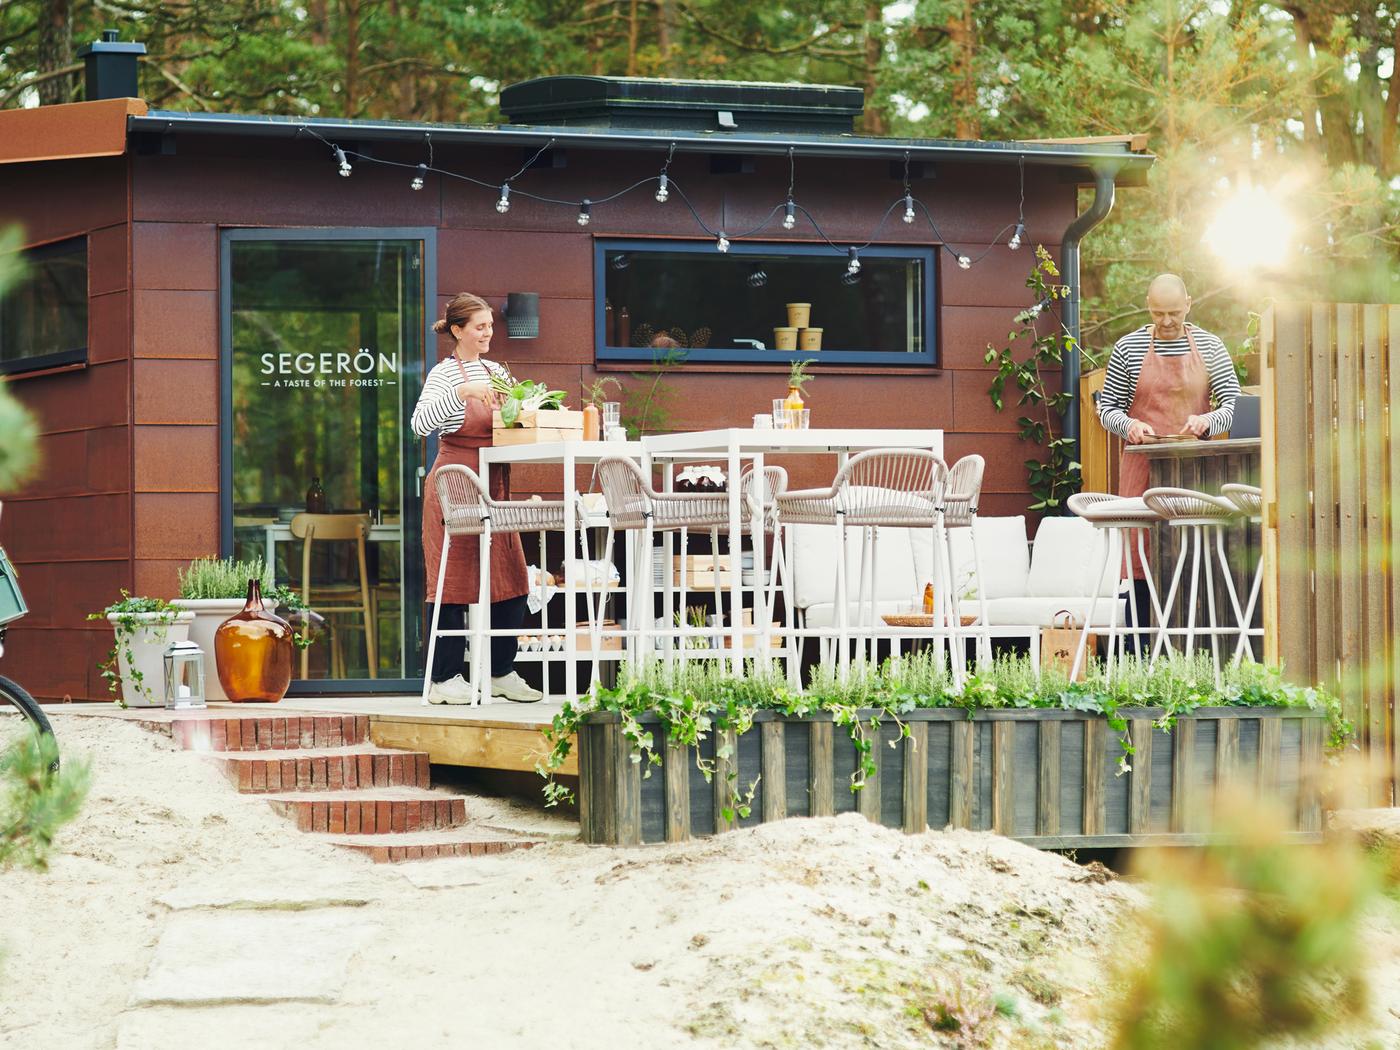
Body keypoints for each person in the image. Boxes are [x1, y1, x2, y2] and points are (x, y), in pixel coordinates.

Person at [411, 292, 542, 704]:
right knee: (452, 580)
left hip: (494, 483)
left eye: (489, 326)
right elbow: (419, 424)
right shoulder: (444, 374)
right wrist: (462, 393)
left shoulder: (497, 371)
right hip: (455, 483)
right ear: (458, 330)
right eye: (480, 327)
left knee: (511, 578)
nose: (488, 333)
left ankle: (501, 672)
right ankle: (444, 679)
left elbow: (516, 418)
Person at [1098, 273, 1240, 643]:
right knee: (1141, 562)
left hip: (1194, 473)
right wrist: (1129, 425)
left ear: (1188, 305)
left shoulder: (1210, 346)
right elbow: (1107, 409)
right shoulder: (1128, 348)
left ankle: (1197, 647)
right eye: (1158, 313)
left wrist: (1207, 421)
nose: (1166, 321)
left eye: (1174, 312)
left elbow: (1232, 404)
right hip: (1142, 471)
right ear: (1148, 306)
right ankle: (1140, 649)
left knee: (1194, 556)